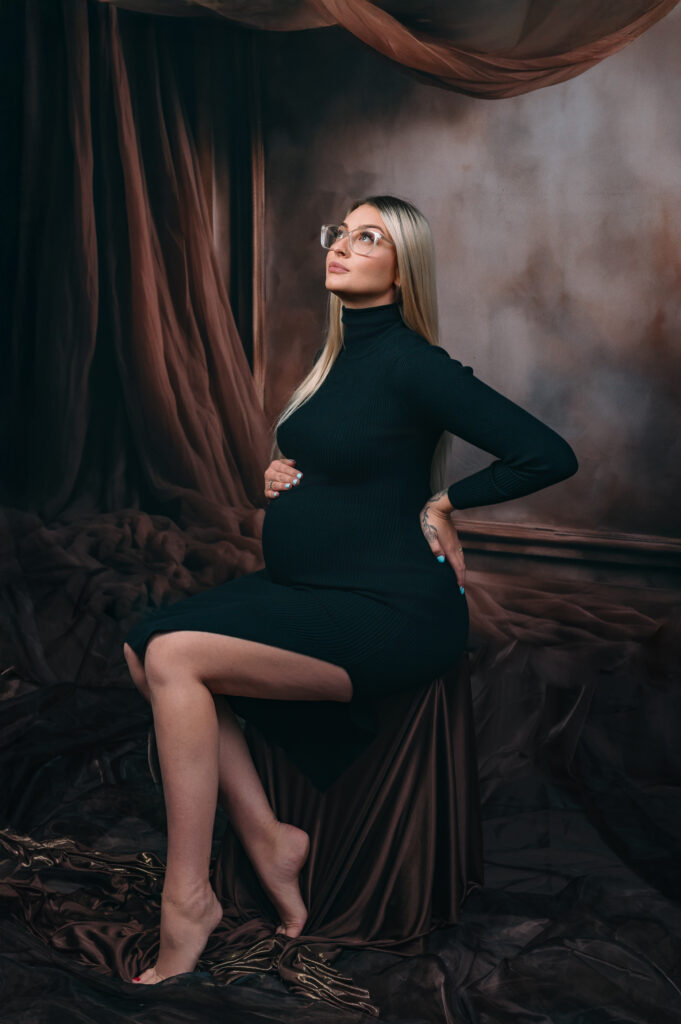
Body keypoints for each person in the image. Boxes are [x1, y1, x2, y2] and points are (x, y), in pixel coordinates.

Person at [122, 194, 578, 984]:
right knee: (142, 646)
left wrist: (447, 503)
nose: (341, 245)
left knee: (177, 660)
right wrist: (282, 470)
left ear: (402, 274)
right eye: (341, 232)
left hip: (391, 611)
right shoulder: (338, 358)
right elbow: (350, 456)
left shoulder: (412, 363)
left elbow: (546, 454)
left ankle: (186, 898)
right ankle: (268, 837)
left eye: (369, 238)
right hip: (311, 588)